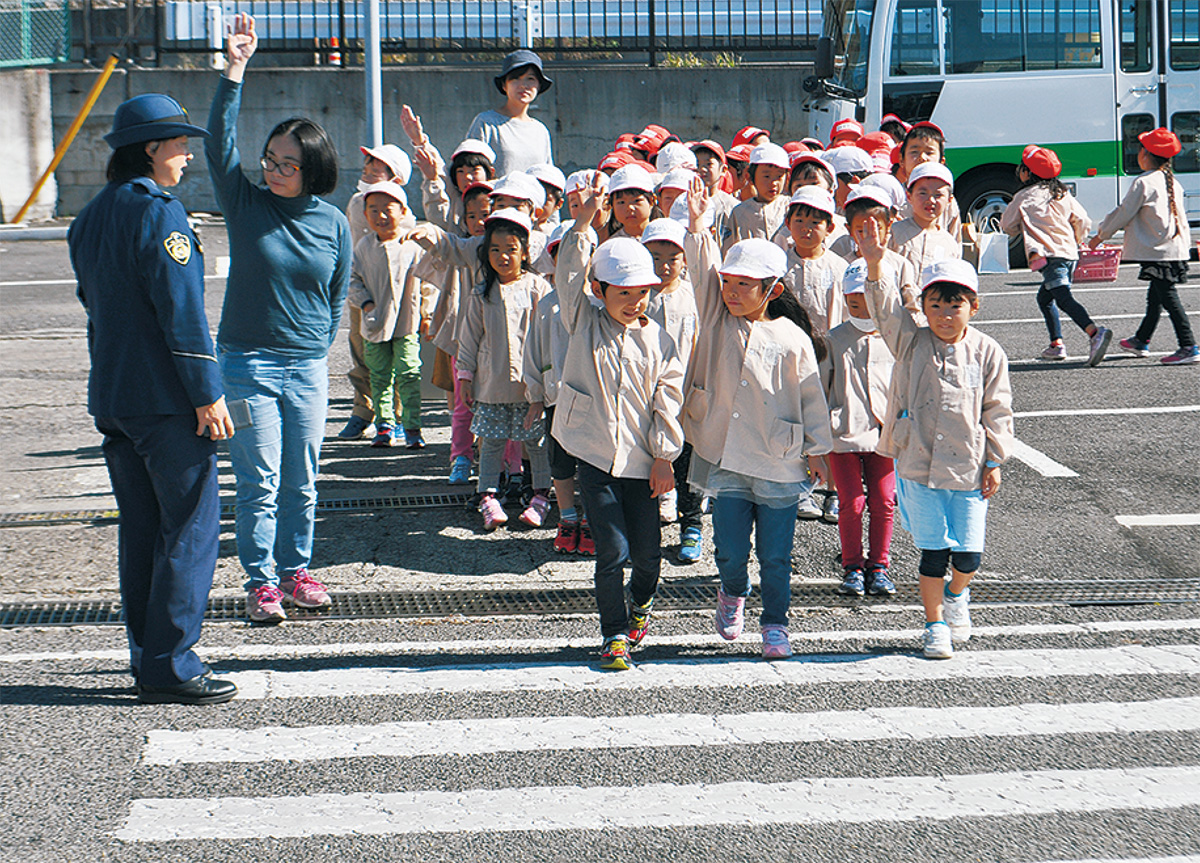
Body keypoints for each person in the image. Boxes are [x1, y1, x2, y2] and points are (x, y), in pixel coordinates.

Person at [69, 93, 237, 704]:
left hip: (113, 394)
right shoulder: (160, 213)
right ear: (151, 150)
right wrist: (206, 392)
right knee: (190, 526)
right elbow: (181, 313)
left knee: (140, 528)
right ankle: (172, 662)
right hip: (167, 398)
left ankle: (147, 652)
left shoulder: (89, 217)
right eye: (178, 143)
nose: (186, 154)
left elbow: (97, 307)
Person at [207, 14, 352, 624]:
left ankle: (296, 572)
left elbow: (338, 294)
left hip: (306, 367)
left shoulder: (334, 222)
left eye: (285, 163)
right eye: (269, 159)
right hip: (245, 362)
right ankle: (260, 582)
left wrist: (316, 347)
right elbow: (219, 147)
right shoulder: (246, 204)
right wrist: (233, 71)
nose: (271, 169)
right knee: (259, 479)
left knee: (302, 480)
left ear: (311, 169)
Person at [682, 179, 833, 660]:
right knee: (728, 549)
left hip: (779, 458)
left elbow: (811, 396)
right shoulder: (715, 318)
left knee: (776, 555)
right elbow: (701, 271)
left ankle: (775, 623)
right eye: (728, 282)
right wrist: (700, 227)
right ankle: (732, 591)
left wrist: (819, 450)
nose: (731, 291)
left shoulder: (792, 337)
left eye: (744, 284)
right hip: (725, 454)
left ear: (773, 289)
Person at [860, 232, 1014, 660]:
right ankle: (935, 624)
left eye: (955, 305)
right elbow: (888, 312)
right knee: (934, 551)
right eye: (936, 305)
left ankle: (957, 594)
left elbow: (998, 407)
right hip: (918, 463)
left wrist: (995, 459)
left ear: (973, 306)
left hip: (968, 466)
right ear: (924, 306)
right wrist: (875, 265)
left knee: (968, 555)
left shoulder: (987, 351)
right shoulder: (912, 342)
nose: (945, 314)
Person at [554, 178, 685, 670]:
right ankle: (613, 634)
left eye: (643, 293)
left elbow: (666, 402)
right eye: (623, 293)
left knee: (648, 557)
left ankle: (642, 606)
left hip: (643, 462)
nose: (635, 302)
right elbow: (568, 274)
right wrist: (583, 224)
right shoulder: (583, 321)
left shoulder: (660, 341)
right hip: (592, 454)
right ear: (599, 290)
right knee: (610, 549)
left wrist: (665, 457)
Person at [445, 209, 554, 530]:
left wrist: (547, 382)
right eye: (495, 249)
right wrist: (465, 375)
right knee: (491, 443)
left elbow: (550, 338)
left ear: (524, 251)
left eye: (511, 249)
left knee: (536, 442)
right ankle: (488, 495)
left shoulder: (537, 289)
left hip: (531, 386)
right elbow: (469, 339)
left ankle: (540, 495)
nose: (503, 256)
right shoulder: (481, 294)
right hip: (490, 386)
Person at [1090, 128, 1197, 365]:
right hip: (1173, 248)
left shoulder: (1143, 182)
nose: (1138, 152)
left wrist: (1100, 236)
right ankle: (1141, 340)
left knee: (1168, 297)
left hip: (1157, 249)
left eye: (1141, 148)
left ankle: (1188, 345)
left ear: (1147, 154)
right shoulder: (1172, 181)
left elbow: (1123, 213)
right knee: (1156, 296)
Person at [822, 262, 897, 598]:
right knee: (851, 503)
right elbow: (821, 389)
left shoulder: (896, 337)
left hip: (886, 435)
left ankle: (879, 566)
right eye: (854, 302)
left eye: (868, 301)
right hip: (844, 433)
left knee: (884, 501)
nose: (861, 309)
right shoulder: (835, 339)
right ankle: (853, 566)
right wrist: (819, 439)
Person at [1000, 145, 1110, 365]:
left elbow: (1006, 225)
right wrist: (1077, 238)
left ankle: (1094, 332)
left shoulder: (1023, 196)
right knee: (1045, 298)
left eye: (1022, 167)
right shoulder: (1062, 193)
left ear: (1027, 173)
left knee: (1063, 297)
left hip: (1049, 256)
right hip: (1069, 254)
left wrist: (1021, 226)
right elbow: (1083, 220)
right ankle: (1056, 344)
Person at [346, 181, 434, 449]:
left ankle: (412, 426)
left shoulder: (412, 246)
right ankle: (384, 425)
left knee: (409, 373)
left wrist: (427, 314)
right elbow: (351, 280)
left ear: (403, 210)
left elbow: (429, 282)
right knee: (380, 376)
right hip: (374, 326)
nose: (380, 216)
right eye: (373, 210)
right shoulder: (363, 247)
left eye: (388, 209)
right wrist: (366, 303)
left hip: (406, 325)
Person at [338, 143, 414, 441]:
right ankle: (362, 411)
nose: (368, 171)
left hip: (393, 294)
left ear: (395, 177)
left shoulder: (401, 212)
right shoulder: (359, 202)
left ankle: (392, 415)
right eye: (367, 166)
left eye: (376, 168)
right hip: (361, 289)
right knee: (361, 350)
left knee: (394, 353)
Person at [640, 217, 702, 562]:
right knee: (650, 461)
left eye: (672, 257)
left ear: (685, 259)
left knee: (688, 463)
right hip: (646, 394)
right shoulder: (638, 295)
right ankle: (647, 531)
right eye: (655, 256)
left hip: (687, 393)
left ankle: (691, 526)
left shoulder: (692, 296)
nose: (664, 266)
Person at [466, 49, 554, 176]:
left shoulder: (541, 131)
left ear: (539, 86)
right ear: (504, 85)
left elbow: (547, 176)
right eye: (515, 79)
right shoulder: (486, 123)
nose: (523, 85)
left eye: (530, 79)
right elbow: (469, 169)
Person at [890, 162, 961, 278]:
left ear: (949, 200)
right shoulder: (894, 233)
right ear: (909, 197)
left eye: (938, 195)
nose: (930, 200)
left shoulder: (949, 243)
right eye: (922, 193)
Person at [723, 143, 791, 251]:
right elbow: (729, 249)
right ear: (749, 177)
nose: (773, 183)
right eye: (766, 176)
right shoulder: (740, 212)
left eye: (779, 176)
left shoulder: (790, 207)